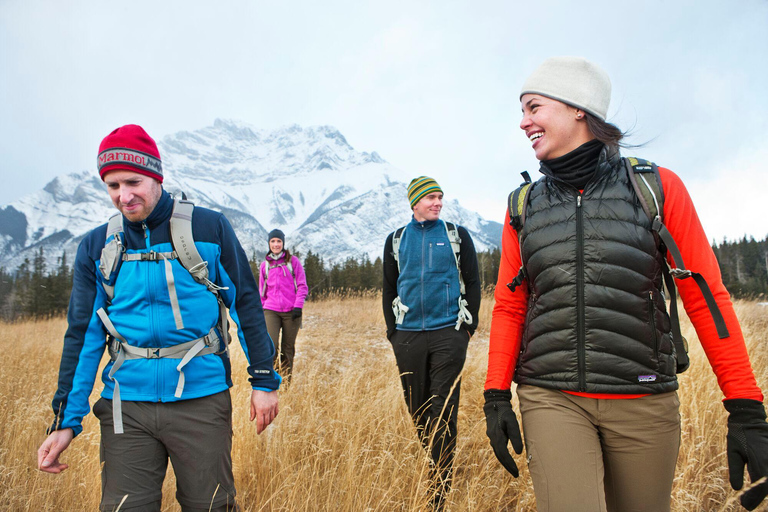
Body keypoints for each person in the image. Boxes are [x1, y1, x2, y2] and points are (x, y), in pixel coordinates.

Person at [484, 56, 768, 512]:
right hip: (551, 396)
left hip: (643, 399)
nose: (523, 122)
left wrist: (746, 407)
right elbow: (509, 305)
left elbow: (705, 297)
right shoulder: (524, 205)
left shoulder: (655, 187)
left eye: (533, 107)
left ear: (578, 107)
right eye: (523, 111)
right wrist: (496, 393)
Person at [36, 124, 280, 511]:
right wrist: (66, 419)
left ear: (156, 176)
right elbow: (83, 336)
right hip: (125, 405)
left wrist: (264, 379)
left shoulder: (209, 228)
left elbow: (245, 303)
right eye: (113, 186)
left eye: (133, 182)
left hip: (200, 400)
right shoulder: (97, 247)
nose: (124, 196)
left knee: (211, 506)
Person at [383, 176, 481, 508]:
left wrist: (468, 328)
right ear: (415, 203)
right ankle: (441, 458)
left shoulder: (456, 236)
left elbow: (473, 280)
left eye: (440, 196)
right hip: (408, 336)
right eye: (431, 197)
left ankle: (438, 492)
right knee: (418, 409)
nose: (438, 202)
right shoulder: (396, 240)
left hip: (448, 333)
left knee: (443, 410)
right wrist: (392, 333)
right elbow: (388, 288)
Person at [259, 229, 308, 381]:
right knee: (271, 347)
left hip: (291, 311)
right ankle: (271, 382)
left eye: (278, 241)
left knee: (287, 349)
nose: (276, 244)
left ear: (283, 243)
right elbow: (261, 291)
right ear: (269, 243)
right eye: (273, 241)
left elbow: (302, 285)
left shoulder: (293, 262)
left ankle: (286, 384)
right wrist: (261, 310)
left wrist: (298, 306)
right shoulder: (265, 266)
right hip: (270, 310)